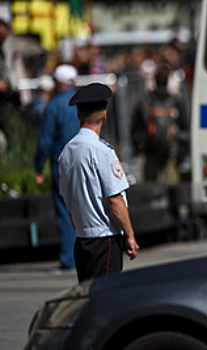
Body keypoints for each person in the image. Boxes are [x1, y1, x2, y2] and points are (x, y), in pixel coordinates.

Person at [59, 82, 139, 282]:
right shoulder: (102, 151)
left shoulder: (67, 152)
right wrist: (129, 235)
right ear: (104, 114)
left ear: (79, 115)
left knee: (88, 297)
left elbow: (67, 199)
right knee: (104, 299)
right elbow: (115, 200)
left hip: (83, 240)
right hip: (104, 240)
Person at [34, 64, 79, 271]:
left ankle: (69, 259)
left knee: (65, 211)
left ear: (59, 82)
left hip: (62, 165)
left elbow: (45, 140)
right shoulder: (83, 103)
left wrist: (38, 166)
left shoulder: (54, 105)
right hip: (85, 163)